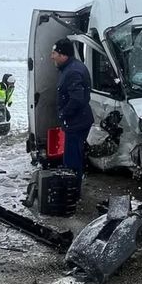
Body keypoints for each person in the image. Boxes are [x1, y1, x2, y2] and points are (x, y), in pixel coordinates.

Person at [50, 38, 94, 183]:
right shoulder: (71, 68)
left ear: (63, 55)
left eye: (54, 53)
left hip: (76, 122)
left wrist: (64, 114)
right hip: (78, 120)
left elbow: (77, 99)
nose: (52, 57)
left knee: (72, 160)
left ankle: (72, 191)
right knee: (73, 156)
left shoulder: (73, 71)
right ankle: (73, 187)